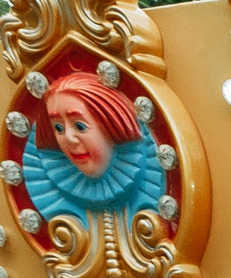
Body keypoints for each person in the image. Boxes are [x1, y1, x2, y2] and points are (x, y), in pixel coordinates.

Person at [22, 69, 168, 225]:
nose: (69, 139)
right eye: (58, 128)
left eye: (80, 126)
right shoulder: (50, 196)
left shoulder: (149, 180)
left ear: (111, 124)